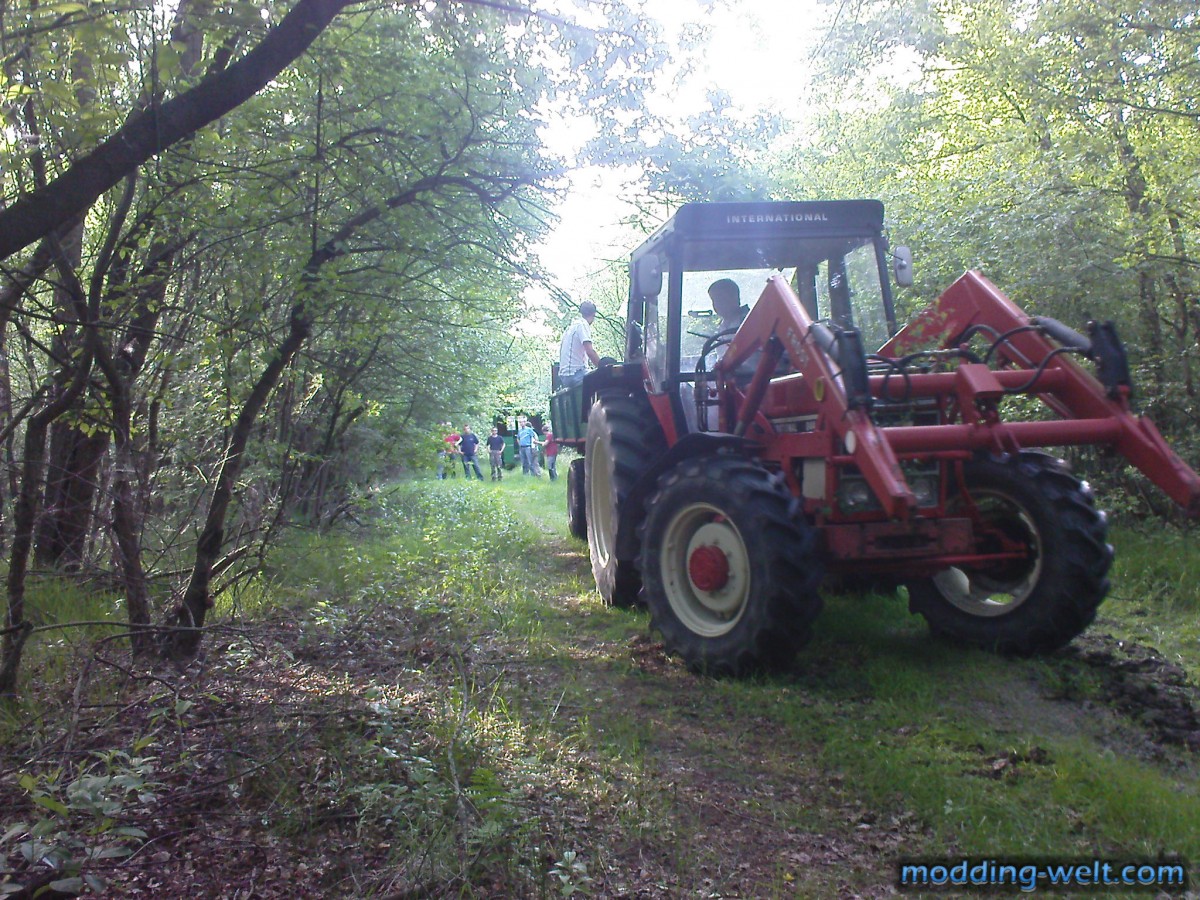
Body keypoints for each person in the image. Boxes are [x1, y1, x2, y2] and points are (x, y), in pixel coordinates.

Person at [558, 301, 602, 387]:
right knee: (606, 379)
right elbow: (590, 352)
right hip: (574, 374)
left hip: (566, 375)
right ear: (593, 314)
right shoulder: (582, 325)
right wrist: (603, 368)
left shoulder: (572, 327)